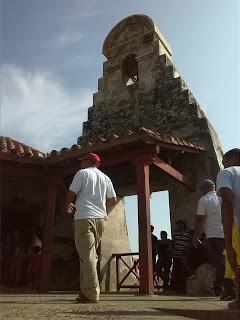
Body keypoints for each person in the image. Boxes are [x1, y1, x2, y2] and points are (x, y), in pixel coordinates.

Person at [65, 152, 117, 303]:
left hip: (84, 218)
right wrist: (101, 209)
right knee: (90, 256)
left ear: (89, 161)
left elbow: (71, 193)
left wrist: (69, 204)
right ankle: (85, 291)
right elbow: (112, 199)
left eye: (82, 161)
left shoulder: (82, 173)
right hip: (101, 220)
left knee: (87, 256)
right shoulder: (106, 178)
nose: (80, 163)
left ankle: (92, 293)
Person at [192, 179, 225, 297]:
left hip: (213, 234)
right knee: (226, 260)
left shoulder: (204, 199)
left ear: (205, 188)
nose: (201, 191)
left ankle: (221, 287)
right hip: (226, 233)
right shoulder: (222, 198)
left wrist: (195, 237)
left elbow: (200, 220)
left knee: (219, 262)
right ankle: (222, 286)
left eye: (202, 189)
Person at [217, 148, 240, 310]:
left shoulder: (226, 173)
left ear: (231, 158)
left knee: (236, 262)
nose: (223, 164)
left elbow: (228, 202)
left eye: (224, 160)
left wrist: (228, 242)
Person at [171, 220, 191, 293]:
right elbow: (173, 243)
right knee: (175, 272)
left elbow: (190, 244)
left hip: (183, 256)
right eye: (177, 225)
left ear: (183, 225)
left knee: (182, 273)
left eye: (179, 225)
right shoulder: (175, 234)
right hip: (176, 256)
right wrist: (172, 252)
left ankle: (182, 289)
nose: (178, 226)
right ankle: (175, 289)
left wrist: (186, 252)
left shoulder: (187, 234)